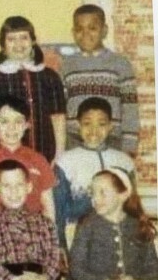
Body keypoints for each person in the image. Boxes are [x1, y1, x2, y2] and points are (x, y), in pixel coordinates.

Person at [0, 16, 66, 162]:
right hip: (6, 158)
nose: (18, 44)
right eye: (11, 39)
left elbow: (58, 118)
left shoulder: (50, 76)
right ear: (3, 45)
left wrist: (59, 155)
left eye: (24, 38)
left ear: (33, 41)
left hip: (44, 154)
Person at [0, 95, 55, 226]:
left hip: (33, 228)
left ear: (27, 125)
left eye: (18, 122)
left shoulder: (38, 160)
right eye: (4, 122)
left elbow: (49, 208)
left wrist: (48, 235)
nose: (11, 128)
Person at [63, 4, 139, 156]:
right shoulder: (66, 65)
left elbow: (129, 106)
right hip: (75, 139)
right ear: (73, 32)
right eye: (79, 29)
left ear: (104, 31)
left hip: (111, 139)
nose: (85, 33)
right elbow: (61, 106)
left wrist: (129, 144)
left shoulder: (120, 64)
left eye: (92, 28)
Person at [54, 97, 135, 234]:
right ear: (78, 125)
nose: (94, 130)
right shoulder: (65, 161)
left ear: (110, 126)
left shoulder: (124, 161)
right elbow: (61, 210)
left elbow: (132, 205)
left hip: (117, 234)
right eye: (87, 123)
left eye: (101, 124)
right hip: (77, 233)